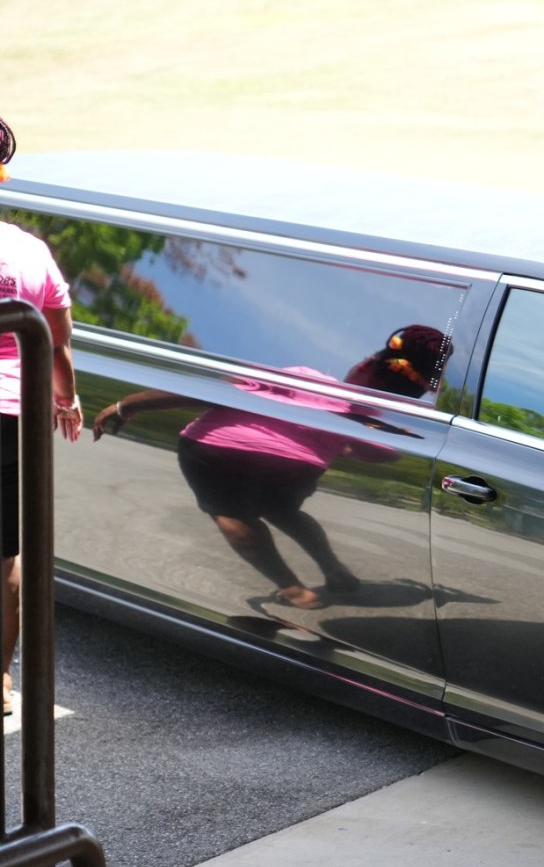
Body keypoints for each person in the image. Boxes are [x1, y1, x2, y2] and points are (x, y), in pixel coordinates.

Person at [91, 326, 449, 611]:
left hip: (219, 452)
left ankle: (294, 589)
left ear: (366, 365)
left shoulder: (304, 377)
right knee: (285, 512)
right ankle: (335, 570)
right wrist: (341, 445)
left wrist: (129, 404)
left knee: (231, 513)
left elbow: (212, 392)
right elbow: (382, 454)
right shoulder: (367, 421)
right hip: (293, 472)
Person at [0, 114, 84, 716]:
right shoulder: (29, 250)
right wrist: (66, 399)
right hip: (13, 415)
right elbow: (56, 341)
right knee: (5, 553)